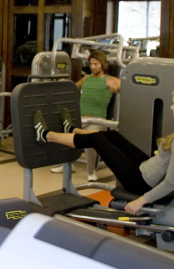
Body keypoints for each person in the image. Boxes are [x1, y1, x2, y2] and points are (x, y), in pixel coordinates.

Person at [33, 86, 174, 215]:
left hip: (141, 182)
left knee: (97, 140)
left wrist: (140, 201)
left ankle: (46, 135)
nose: (171, 107)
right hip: (147, 169)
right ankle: (72, 131)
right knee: (113, 136)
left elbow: (171, 183)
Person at [51, 50, 121, 181]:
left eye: (96, 64)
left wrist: (118, 89)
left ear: (103, 64)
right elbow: (73, 88)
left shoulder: (110, 80)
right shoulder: (86, 78)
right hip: (80, 118)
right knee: (62, 130)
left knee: (91, 138)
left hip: (97, 121)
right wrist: (64, 82)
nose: (93, 67)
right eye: (91, 64)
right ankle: (66, 164)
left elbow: (127, 89)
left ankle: (91, 172)